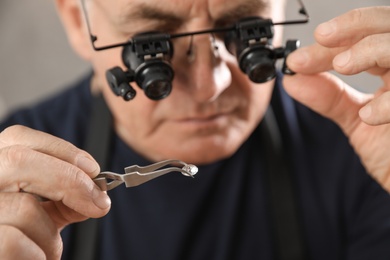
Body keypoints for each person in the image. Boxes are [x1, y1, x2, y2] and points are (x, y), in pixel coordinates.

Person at [0, 0, 389, 259]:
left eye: (242, 30)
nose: (209, 86)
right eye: (155, 45)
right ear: (76, 21)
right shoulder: (14, 178)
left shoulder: (366, 154)